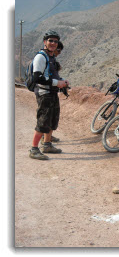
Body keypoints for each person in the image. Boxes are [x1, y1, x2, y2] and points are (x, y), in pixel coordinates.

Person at [29, 30, 70, 160]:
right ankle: (34, 149)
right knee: (43, 121)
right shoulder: (41, 57)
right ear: (44, 42)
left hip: (52, 93)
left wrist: (62, 82)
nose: (53, 43)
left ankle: (47, 144)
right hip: (44, 94)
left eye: (55, 41)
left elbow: (52, 75)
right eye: (50, 40)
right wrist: (57, 83)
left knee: (52, 120)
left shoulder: (51, 57)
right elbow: (37, 78)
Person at [40, 40, 64, 145]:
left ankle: (47, 136)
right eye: (59, 50)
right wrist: (57, 82)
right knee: (47, 116)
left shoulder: (51, 59)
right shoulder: (45, 58)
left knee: (49, 116)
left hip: (49, 90)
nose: (59, 53)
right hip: (45, 91)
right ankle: (45, 140)